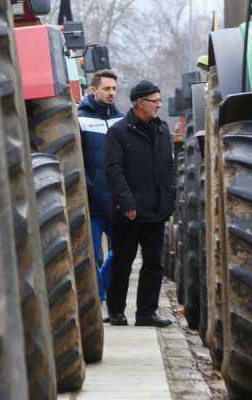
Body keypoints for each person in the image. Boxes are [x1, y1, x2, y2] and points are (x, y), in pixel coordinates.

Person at [104, 80, 176, 328]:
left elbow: (168, 166)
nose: (158, 104)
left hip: (155, 211)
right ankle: (116, 311)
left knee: (154, 263)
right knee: (122, 263)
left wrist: (169, 198)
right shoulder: (118, 132)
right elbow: (114, 170)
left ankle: (146, 313)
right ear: (139, 103)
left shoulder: (162, 129)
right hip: (129, 212)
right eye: (154, 100)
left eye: (159, 100)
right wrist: (126, 202)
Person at [77, 69, 123, 302]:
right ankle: (96, 300)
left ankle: (101, 292)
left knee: (122, 253)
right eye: (106, 88)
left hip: (117, 203)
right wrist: (88, 187)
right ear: (93, 90)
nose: (111, 93)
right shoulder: (79, 120)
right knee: (91, 256)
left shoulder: (121, 120)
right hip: (92, 204)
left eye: (114, 88)